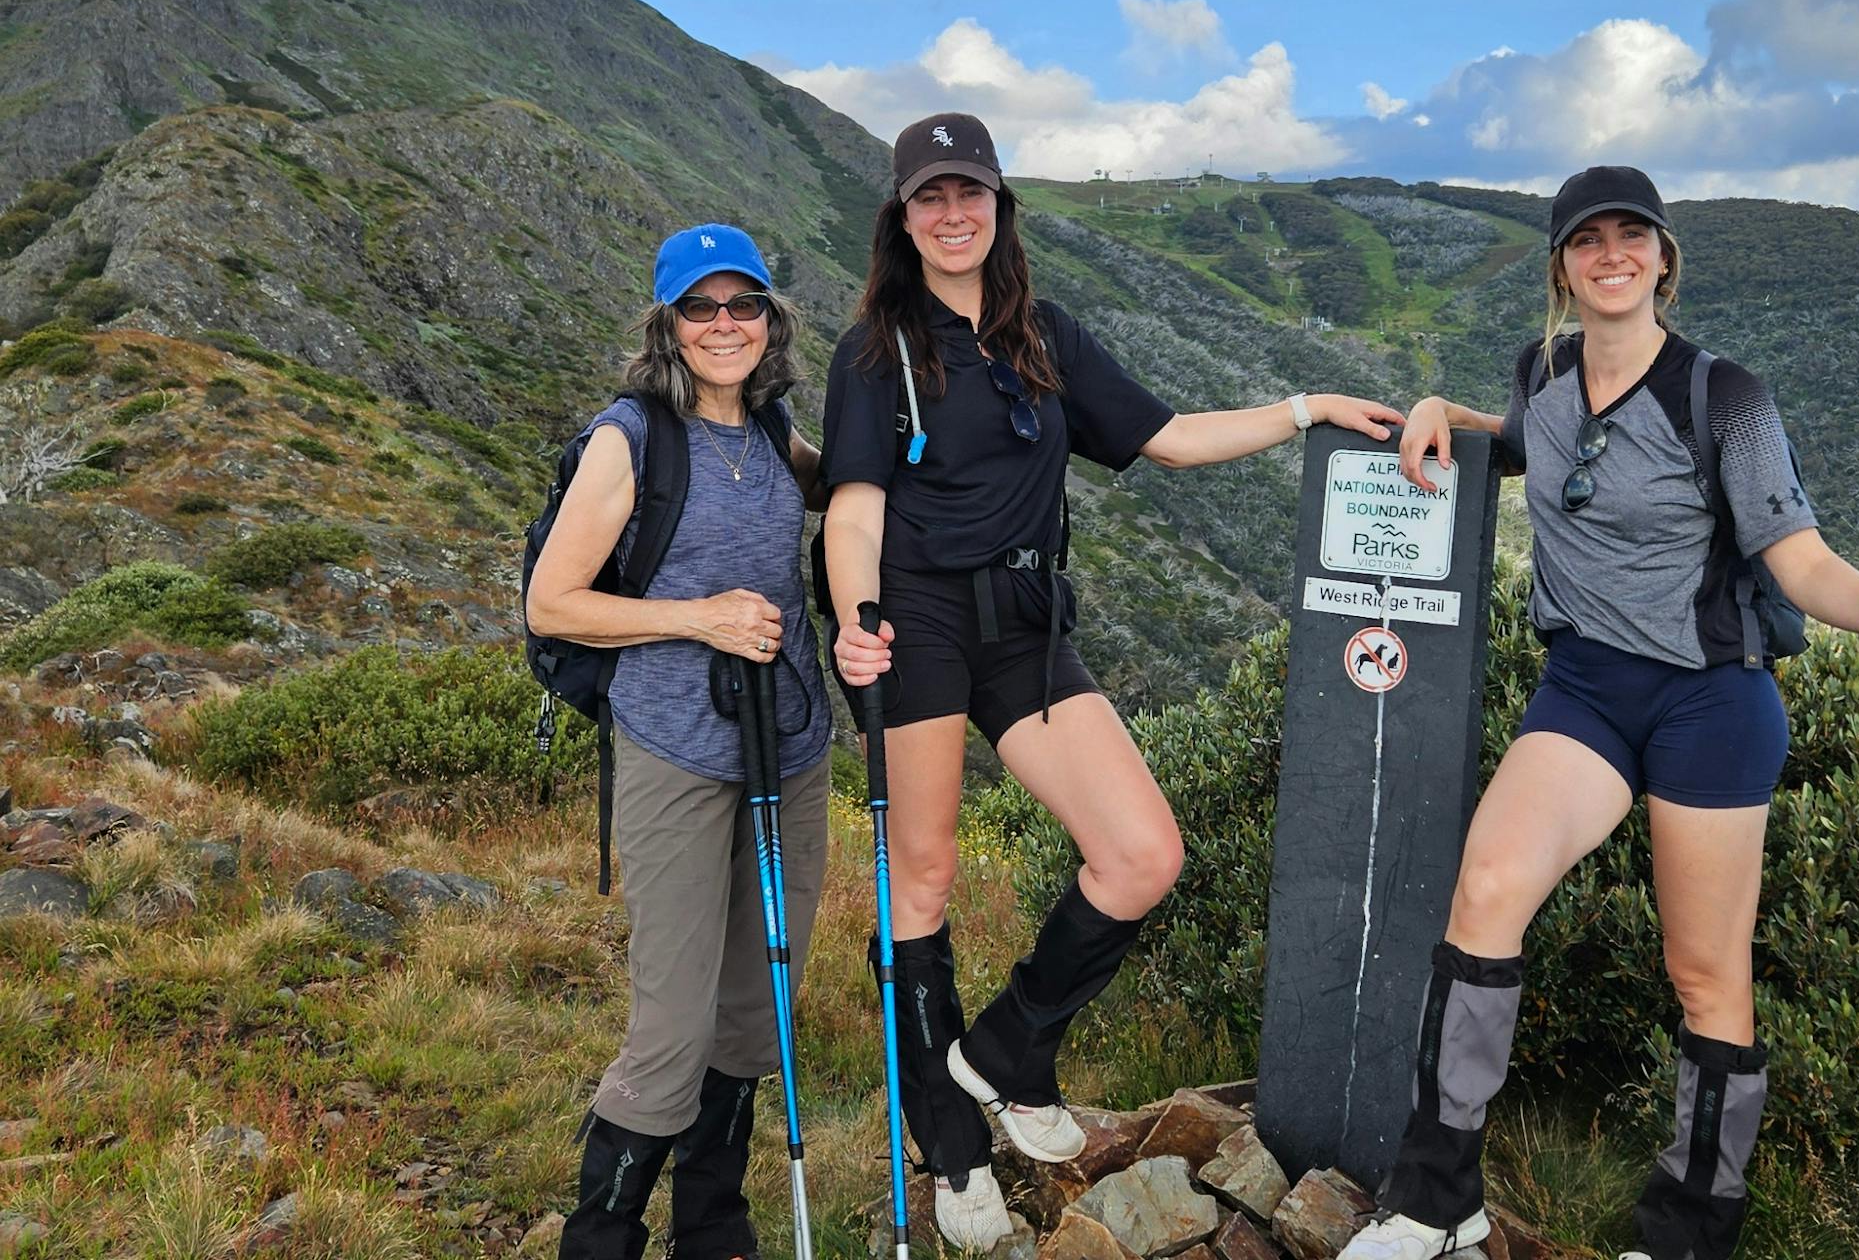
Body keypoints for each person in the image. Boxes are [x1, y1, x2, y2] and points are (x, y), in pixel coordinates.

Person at [1339, 167, 1859, 1260]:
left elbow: (1795, 556)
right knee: (1485, 892)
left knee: (1703, 974)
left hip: (1709, 701)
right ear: (1560, 265)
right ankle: (1437, 1200)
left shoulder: (1725, 397)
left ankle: (1685, 1235)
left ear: (1663, 257)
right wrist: (1444, 412)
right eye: (1586, 240)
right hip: (1583, 689)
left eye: (1630, 236)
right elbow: (1532, 445)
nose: (1609, 255)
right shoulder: (1537, 373)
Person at [822, 113, 1407, 1247]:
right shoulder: (875, 349)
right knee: (923, 877)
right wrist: (857, 619)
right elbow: (852, 505)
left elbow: (1171, 436)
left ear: (999, 206)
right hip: (918, 626)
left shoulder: (1042, 336)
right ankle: (949, 1146)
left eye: (971, 194)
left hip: (1029, 627)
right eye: (930, 197)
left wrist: (1306, 411)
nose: (953, 215)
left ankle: (1004, 1051)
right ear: (902, 216)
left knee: (1143, 853)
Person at [527, 223, 834, 1260]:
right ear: (666, 323)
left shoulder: (771, 427)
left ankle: (713, 1225)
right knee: (671, 1027)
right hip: (672, 749)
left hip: (789, 747)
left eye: (742, 304)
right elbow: (553, 604)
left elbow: (841, 490)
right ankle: (602, 1233)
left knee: (755, 1010)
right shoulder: (630, 438)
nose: (722, 325)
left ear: (769, 320)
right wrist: (697, 617)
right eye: (698, 308)